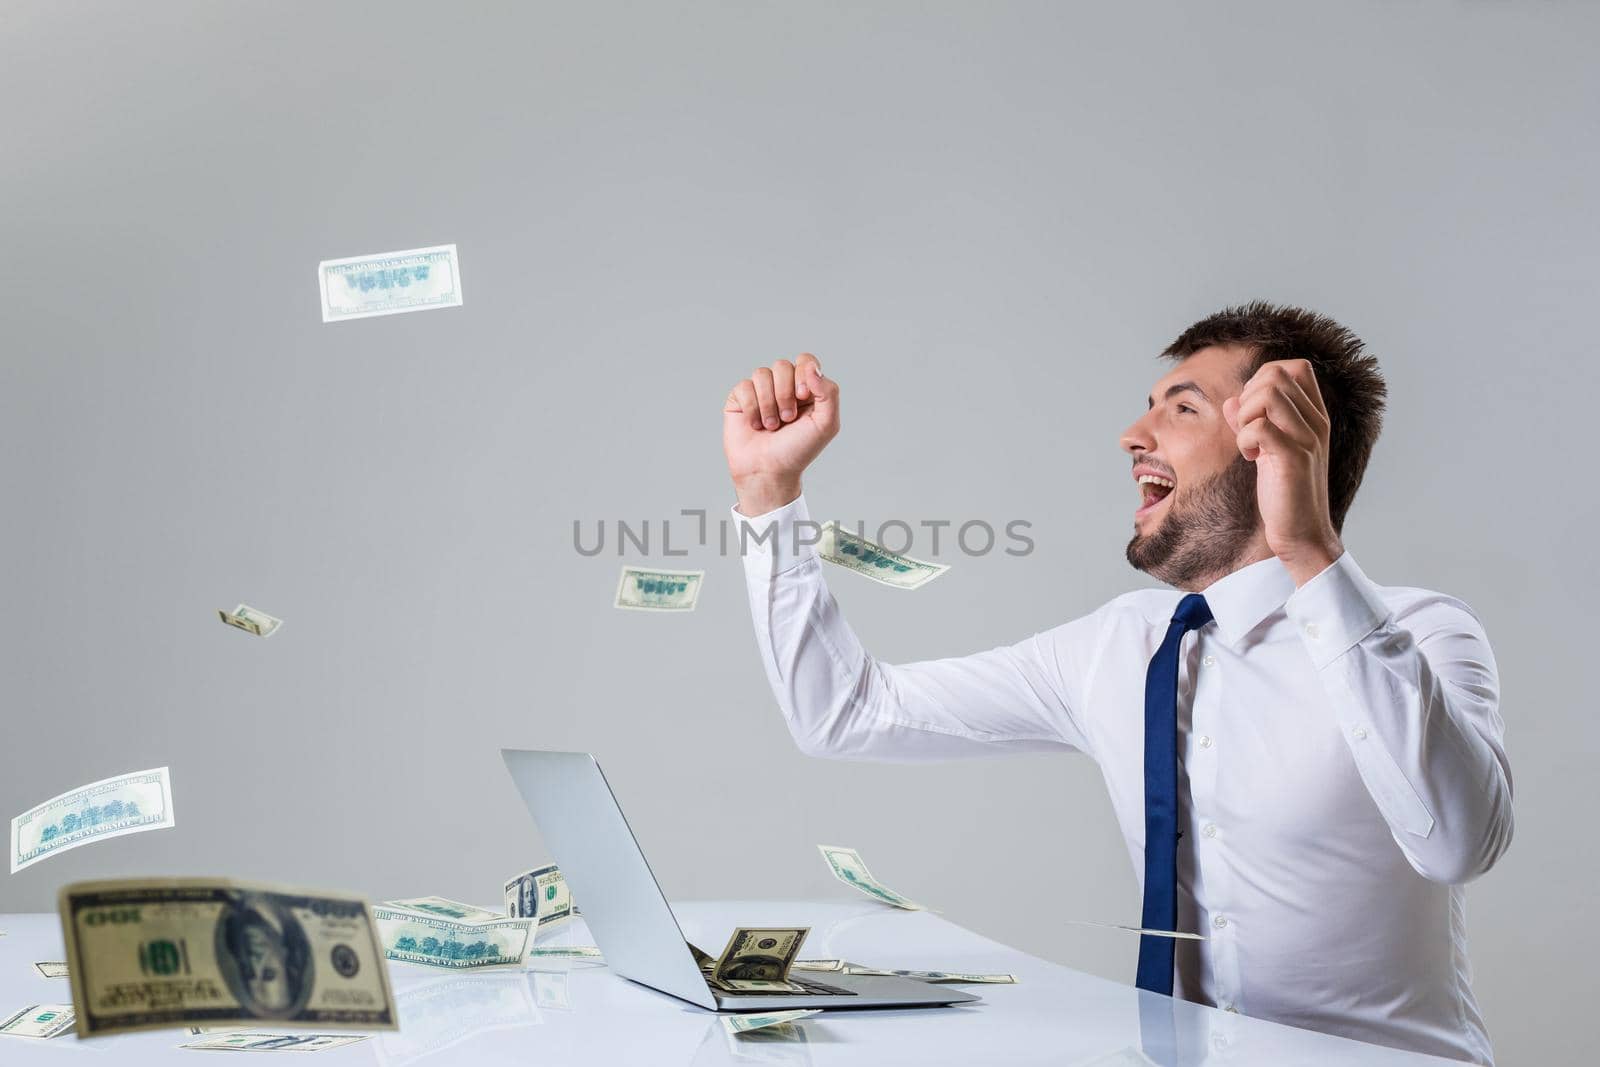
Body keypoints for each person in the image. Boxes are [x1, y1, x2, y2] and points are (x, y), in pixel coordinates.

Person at [721, 302, 1511, 1065]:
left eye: (1183, 408)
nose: (1133, 436)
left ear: (1279, 444)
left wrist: (1311, 549)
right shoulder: (1119, 646)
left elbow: (1457, 843)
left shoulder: (1424, 634)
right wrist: (768, 496)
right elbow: (845, 713)